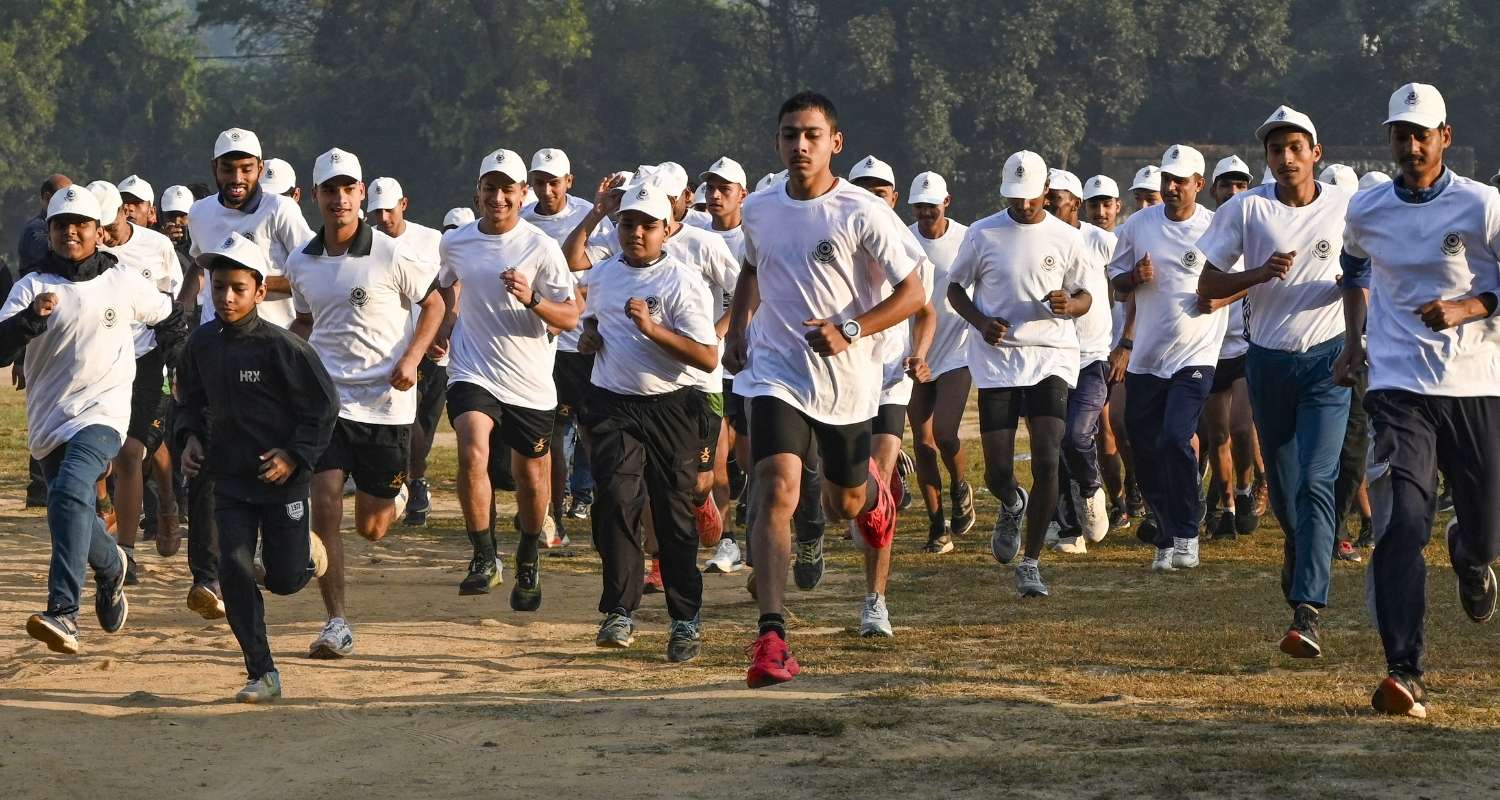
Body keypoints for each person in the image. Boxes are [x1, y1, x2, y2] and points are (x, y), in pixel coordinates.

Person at [725, 92, 925, 687]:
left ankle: (874, 489)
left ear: (835, 142)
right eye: (790, 134)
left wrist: (851, 329)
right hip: (776, 371)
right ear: (777, 142)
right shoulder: (759, 208)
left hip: (848, 382)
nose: (800, 145)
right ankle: (771, 637)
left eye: (812, 134)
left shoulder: (862, 211)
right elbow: (753, 268)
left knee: (846, 506)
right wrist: (738, 329)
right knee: (775, 487)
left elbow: (914, 293)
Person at [1335, 83, 1500, 717]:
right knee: (1403, 523)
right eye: (1400, 135)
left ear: (1444, 137)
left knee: (1487, 530)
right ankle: (1405, 670)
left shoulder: (1482, 205)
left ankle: (1471, 554)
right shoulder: (1368, 208)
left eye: (1421, 134)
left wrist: (1470, 306)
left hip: (1476, 383)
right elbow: (1353, 269)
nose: (1410, 146)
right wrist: (1354, 340)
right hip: (1399, 386)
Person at [1197, 107, 1353, 658]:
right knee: (1286, 493)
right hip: (1267, 362)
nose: (1286, 158)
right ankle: (1299, 545)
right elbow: (1207, 286)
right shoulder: (1247, 209)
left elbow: (1374, 266)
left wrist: (1355, 291)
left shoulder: (1346, 206)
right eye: (1275, 150)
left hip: (1328, 362)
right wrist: (1258, 273)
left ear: (1316, 153)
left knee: (1316, 479)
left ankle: (1307, 610)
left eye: (1295, 148)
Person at [1, 185, 180, 654]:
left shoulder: (121, 280)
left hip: (104, 414)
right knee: (72, 504)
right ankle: (111, 565)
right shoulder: (32, 286)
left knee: (67, 492)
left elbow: (169, 317)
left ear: (98, 231)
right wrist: (29, 321)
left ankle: (64, 611)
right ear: (50, 232)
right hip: (49, 421)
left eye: (80, 224)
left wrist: (177, 366)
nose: (71, 232)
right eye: (61, 225)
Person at [286, 148, 443, 658]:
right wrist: (285, 356)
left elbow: (434, 302)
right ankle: (336, 622)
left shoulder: (390, 254)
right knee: (324, 504)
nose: (339, 198)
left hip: (386, 405)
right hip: (329, 402)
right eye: (329, 190)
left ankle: (395, 496)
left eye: (347, 189)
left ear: (360, 193)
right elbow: (306, 320)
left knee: (371, 528)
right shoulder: (301, 261)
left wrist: (413, 359)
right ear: (316, 196)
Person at [176, 232, 338, 703]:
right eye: (218, 286)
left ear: (261, 291)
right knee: (233, 568)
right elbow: (188, 402)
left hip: (282, 481)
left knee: (285, 580)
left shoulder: (284, 348)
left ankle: (306, 553)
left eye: (238, 288)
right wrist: (188, 439)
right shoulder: (201, 345)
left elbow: (324, 408)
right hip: (228, 479)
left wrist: (293, 455)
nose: (226, 297)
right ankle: (261, 672)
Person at [579, 183, 719, 661]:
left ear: (667, 230)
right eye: (627, 223)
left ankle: (684, 619)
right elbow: (592, 321)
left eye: (646, 225)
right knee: (616, 502)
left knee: (672, 512)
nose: (635, 233)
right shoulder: (603, 275)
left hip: (671, 407)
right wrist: (590, 337)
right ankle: (619, 610)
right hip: (613, 404)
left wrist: (651, 329)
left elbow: (706, 357)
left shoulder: (682, 280)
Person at [181, 128, 314, 620]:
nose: (236, 177)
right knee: (204, 461)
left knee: (268, 466)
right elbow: (203, 271)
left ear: (260, 167)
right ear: (213, 169)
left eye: (246, 168)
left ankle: (294, 548)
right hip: (217, 351)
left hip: (273, 352)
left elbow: (307, 273)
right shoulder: (200, 214)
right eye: (227, 168)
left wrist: (249, 283)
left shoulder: (281, 211)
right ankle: (208, 576)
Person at [436, 147, 578, 607]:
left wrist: (532, 298)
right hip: (472, 367)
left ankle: (529, 555)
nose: (497, 198)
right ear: (478, 192)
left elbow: (570, 315)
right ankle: (483, 555)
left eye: (506, 190)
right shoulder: (456, 243)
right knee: (472, 449)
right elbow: (445, 287)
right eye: (489, 188)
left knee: (530, 477)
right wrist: (444, 326)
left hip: (528, 378)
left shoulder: (541, 246)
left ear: (521, 194)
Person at [948, 151, 1092, 597]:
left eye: (1031, 196)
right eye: (1015, 197)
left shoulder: (1066, 237)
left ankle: (1031, 563)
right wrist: (980, 322)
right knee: (997, 471)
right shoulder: (982, 232)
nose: (1024, 205)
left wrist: (1070, 305)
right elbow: (955, 288)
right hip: (998, 361)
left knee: (1048, 457)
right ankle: (1012, 501)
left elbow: (1086, 295)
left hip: (1050, 356)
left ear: (1046, 190)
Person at [1108, 145, 1226, 572]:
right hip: (1147, 357)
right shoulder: (1138, 224)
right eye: (1167, 179)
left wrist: (1220, 299)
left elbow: (1243, 279)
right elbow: (1116, 282)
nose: (1172, 187)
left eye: (1180, 180)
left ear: (1199, 183)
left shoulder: (1215, 226)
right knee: (1145, 447)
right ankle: (1166, 531)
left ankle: (1188, 532)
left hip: (1196, 353)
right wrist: (1132, 277)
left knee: (1177, 437)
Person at [848, 154, 935, 635]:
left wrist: (918, 354)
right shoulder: (833, 237)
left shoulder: (908, 247)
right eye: (862, 190)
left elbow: (925, 312)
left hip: (888, 378)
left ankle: (874, 602)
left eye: (879, 192)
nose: (871, 199)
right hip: (838, 378)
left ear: (894, 198)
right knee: (838, 491)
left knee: (876, 488)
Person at [91, 180, 184, 580]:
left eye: (107, 224)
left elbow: (172, 304)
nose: (102, 234)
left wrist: (176, 361)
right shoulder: (87, 250)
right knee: (105, 455)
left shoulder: (156, 246)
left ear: (124, 213)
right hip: (100, 361)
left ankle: (127, 551)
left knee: (132, 451)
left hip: (147, 360)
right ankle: (108, 507)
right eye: (95, 226)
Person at [522, 147, 597, 539]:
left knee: (595, 434)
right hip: (541, 346)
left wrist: (575, 306)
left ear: (569, 181)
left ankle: (603, 506)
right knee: (552, 435)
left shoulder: (589, 215)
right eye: (539, 182)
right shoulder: (521, 219)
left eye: (554, 182)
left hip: (585, 344)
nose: (546, 190)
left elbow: (603, 272)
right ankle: (552, 516)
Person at [366, 176, 446, 527]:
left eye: (389, 210)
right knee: (406, 421)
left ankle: (416, 481)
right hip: (392, 349)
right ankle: (409, 485)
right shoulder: (367, 244)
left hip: (432, 345)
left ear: (404, 204)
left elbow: (450, 284)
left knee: (425, 422)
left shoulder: (432, 240)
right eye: (376, 212)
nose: (383, 218)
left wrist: (446, 328)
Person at [1041, 169, 1114, 553]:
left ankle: (1089, 489)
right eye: (1045, 199)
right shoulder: (1035, 239)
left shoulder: (1099, 240)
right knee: (1051, 444)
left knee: (1077, 435)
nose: (1049, 206)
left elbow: (1130, 283)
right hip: (1048, 356)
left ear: (1076, 204)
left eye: (1056, 200)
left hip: (1091, 355)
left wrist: (1127, 341)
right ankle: (1068, 527)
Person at [1194, 156, 1264, 543]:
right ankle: (1227, 507)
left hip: (1244, 344)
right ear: (1213, 189)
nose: (1233, 192)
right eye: (1226, 185)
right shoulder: (1202, 227)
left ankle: (1246, 487)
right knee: (1216, 433)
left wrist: (1222, 298)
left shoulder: (1255, 228)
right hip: (1208, 347)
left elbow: (1260, 280)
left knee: (1240, 427)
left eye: (1241, 185)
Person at [905, 171, 975, 555]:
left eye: (931, 205)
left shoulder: (967, 238)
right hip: (916, 352)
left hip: (956, 350)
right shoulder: (903, 238)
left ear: (946, 202)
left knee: (946, 434)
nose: (925, 212)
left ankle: (960, 486)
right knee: (923, 442)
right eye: (919, 206)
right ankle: (937, 526)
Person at [16, 173, 72, 508]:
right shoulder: (37, 231)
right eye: (61, 195)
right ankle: (40, 485)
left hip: (63, 324)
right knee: (44, 401)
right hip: (38, 321)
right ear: (44, 197)